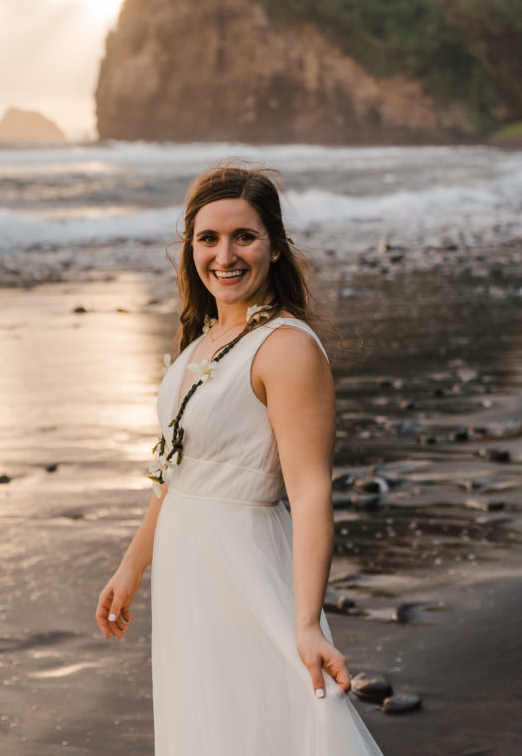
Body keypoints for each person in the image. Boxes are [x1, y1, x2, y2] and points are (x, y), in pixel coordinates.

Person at [96, 164, 385, 755]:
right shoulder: (198, 342)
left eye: (243, 237)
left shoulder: (286, 349)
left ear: (274, 246)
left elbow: (309, 494)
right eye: (208, 238)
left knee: (260, 726)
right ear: (190, 248)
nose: (224, 255)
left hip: (244, 566)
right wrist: (132, 565)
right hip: (186, 572)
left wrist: (306, 623)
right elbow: (177, 475)